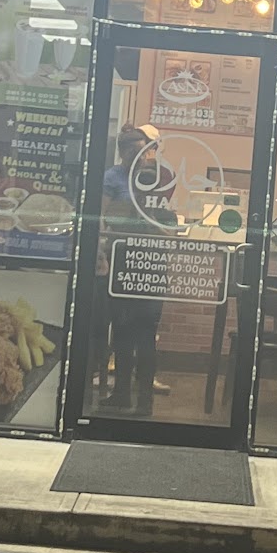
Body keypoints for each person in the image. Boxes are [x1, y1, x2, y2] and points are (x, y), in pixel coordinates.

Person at [100, 123, 176, 415]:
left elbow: (166, 220)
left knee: (145, 330)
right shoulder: (113, 177)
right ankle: (121, 392)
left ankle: (145, 399)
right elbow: (103, 216)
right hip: (122, 256)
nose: (140, 158)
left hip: (152, 259)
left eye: (144, 152)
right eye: (134, 152)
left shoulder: (158, 176)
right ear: (122, 153)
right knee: (121, 329)